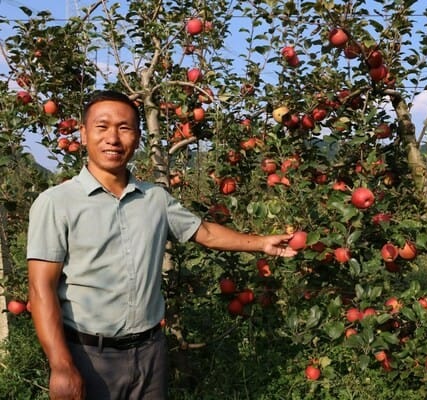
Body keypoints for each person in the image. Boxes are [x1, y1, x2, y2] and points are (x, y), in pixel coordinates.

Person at [27, 90, 297, 400]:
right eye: (102, 127)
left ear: (138, 138)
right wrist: (61, 366)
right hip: (89, 355)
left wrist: (261, 244)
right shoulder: (56, 203)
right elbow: (41, 289)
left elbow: (205, 232)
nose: (113, 138)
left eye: (124, 128)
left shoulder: (155, 198)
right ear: (84, 134)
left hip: (150, 352)